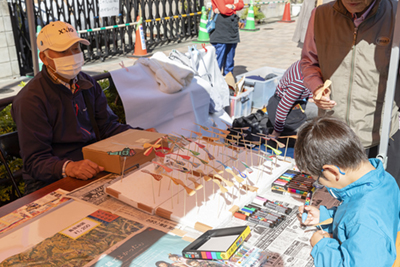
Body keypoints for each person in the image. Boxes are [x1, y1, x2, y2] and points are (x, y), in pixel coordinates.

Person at [11, 21, 140, 194]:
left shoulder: (87, 83)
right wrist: (69, 167)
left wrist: (140, 136)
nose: (72, 56)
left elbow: (107, 126)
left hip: (94, 166)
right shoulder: (30, 100)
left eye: (76, 49)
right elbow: (36, 161)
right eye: (63, 51)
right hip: (51, 180)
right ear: (44, 58)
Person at [300, 0, 400, 185]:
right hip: (335, 134)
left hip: (380, 134)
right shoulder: (320, 15)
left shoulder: (396, 14)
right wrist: (317, 86)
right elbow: (309, 62)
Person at [295, 116, 400, 266]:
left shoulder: (364, 217)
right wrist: (325, 216)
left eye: (319, 181)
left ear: (332, 172)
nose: (322, 185)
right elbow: (352, 215)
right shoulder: (382, 178)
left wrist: (322, 246)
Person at [267, 60, 317, 139]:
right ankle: (285, 131)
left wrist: (311, 97)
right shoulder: (299, 83)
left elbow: (311, 84)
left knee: (322, 111)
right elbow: (283, 108)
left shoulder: (305, 63)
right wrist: (276, 133)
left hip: (295, 105)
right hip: (282, 113)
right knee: (312, 132)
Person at [210, 0, 244, 76]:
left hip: (232, 26)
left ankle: (229, 81)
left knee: (230, 57)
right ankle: (216, 81)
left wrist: (232, 6)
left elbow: (241, 4)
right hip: (220, 26)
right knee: (218, 57)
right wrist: (234, 9)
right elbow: (223, 10)